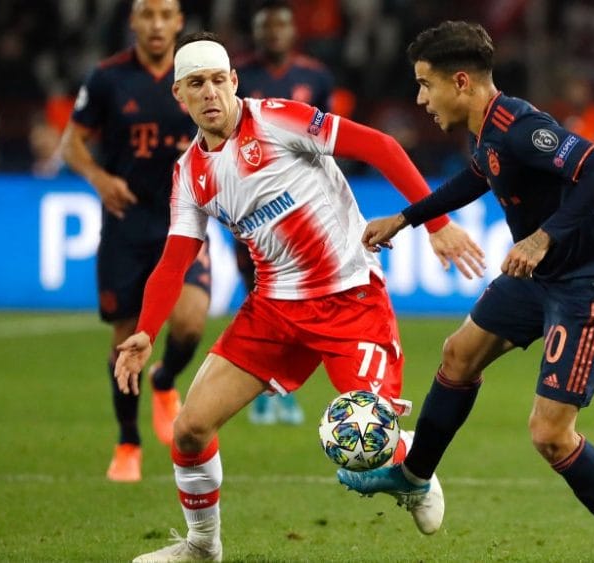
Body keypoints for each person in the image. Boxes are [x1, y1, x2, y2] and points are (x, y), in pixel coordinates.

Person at [113, 31, 485, 561]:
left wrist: (436, 223)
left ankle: (415, 471)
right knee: (190, 429)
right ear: (180, 96)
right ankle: (201, 546)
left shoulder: (279, 118)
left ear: (235, 82)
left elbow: (380, 146)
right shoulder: (190, 175)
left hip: (350, 299)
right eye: (197, 84)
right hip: (274, 311)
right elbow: (175, 259)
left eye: (220, 80)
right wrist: (145, 330)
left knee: (367, 442)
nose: (212, 92)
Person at [337, 21, 594, 563]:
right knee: (458, 354)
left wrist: (542, 237)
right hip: (542, 276)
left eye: (425, 84)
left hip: (591, 284)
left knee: (550, 434)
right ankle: (415, 477)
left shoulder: (521, 126)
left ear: (460, 82)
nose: (420, 99)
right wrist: (409, 218)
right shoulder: (485, 130)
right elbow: (478, 175)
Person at [60, 0, 212, 482]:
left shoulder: (198, 74)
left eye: (166, 14)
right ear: (133, 20)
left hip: (183, 219)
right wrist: (100, 179)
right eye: (147, 14)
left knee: (190, 321)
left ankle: (165, 380)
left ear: (179, 21)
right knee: (125, 338)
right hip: (126, 224)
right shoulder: (108, 78)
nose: (156, 24)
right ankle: (128, 443)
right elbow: (71, 143)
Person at [233, 0, 336, 427]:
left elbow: (330, 137)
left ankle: (285, 390)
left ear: (293, 33)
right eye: (266, 27)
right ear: (256, 33)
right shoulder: (239, 77)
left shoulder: (315, 76)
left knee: (304, 300)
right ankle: (261, 390)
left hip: (304, 208)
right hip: (254, 205)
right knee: (259, 296)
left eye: (280, 27)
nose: (273, 34)